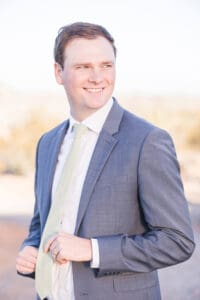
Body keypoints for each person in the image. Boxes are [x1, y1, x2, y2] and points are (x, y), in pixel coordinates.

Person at [16, 22, 195, 300]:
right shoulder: (47, 143)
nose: (98, 77)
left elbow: (177, 241)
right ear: (58, 72)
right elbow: (42, 224)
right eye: (83, 67)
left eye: (106, 65)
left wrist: (92, 249)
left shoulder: (147, 141)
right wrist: (32, 249)